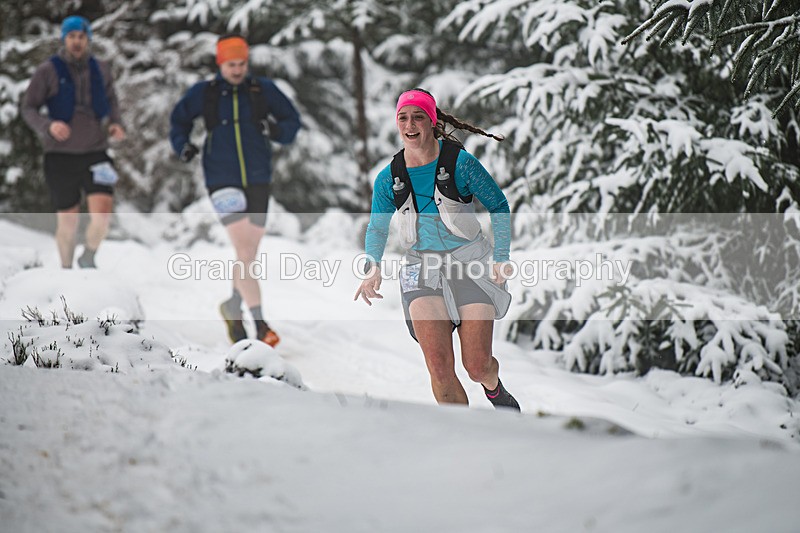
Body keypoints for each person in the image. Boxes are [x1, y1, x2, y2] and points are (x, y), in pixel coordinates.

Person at [354, 88, 520, 411]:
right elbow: (377, 227)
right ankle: (462, 440)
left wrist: (501, 258)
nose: (410, 124)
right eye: (403, 117)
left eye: (418, 116)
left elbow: (499, 205)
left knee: (476, 365)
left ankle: (494, 387)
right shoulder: (390, 178)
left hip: (470, 263)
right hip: (421, 268)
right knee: (440, 369)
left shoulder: (460, 164)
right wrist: (372, 265)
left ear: (432, 121)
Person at [170, 34, 301, 347]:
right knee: (244, 249)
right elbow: (178, 121)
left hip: (258, 177)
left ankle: (232, 305)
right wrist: (183, 146)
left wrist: (276, 130)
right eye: (232, 64)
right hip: (220, 177)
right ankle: (260, 324)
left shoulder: (262, 90)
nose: (238, 70)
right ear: (220, 63)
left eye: (242, 63)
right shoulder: (206, 93)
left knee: (249, 255)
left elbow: (291, 120)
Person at [21, 15, 126, 269]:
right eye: (71, 37)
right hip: (60, 155)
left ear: (88, 39)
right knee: (68, 221)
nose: (76, 42)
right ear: (64, 39)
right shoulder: (48, 70)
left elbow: (112, 101)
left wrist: (116, 122)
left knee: (102, 217)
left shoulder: (101, 68)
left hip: (96, 152)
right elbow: (28, 107)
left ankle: (88, 255)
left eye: (81, 37)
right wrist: (48, 126)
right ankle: (67, 272)